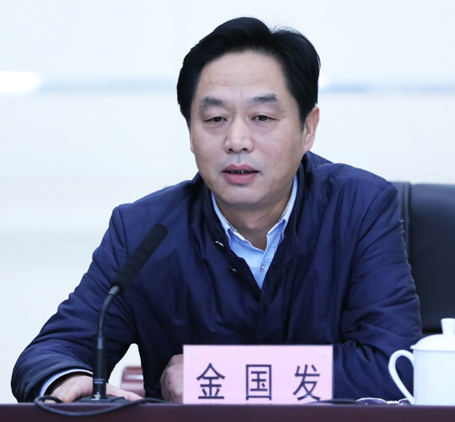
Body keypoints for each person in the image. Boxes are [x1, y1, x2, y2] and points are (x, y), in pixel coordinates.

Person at [12, 17, 421, 403]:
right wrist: (67, 379)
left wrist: (222, 376)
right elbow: (51, 353)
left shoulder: (359, 209)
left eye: (262, 117)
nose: (237, 140)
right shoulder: (143, 231)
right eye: (215, 118)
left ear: (308, 128)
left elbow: (395, 366)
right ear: (190, 132)